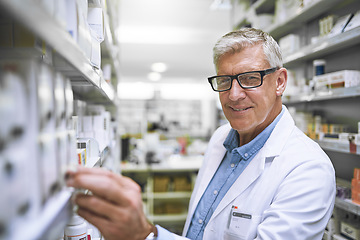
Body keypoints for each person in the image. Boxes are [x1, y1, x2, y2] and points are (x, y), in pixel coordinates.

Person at [66, 28, 336, 240]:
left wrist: (146, 234)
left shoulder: (309, 169)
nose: (234, 95)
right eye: (224, 81)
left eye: (250, 78)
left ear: (279, 82)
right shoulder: (221, 138)